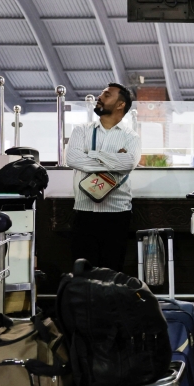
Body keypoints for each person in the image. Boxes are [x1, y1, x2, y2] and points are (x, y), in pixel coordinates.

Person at [65, 82, 141, 272]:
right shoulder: (81, 130)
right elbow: (73, 159)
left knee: (112, 271)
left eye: (107, 95)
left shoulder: (131, 137)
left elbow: (128, 164)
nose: (100, 97)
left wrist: (91, 153)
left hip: (117, 214)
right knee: (82, 271)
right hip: (84, 211)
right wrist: (115, 158)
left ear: (120, 104)